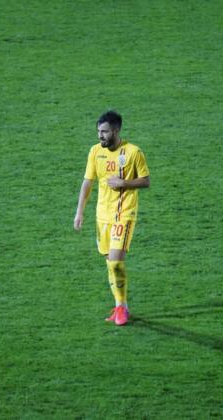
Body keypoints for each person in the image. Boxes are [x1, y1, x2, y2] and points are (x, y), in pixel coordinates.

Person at [74, 111, 150, 326]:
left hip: (124, 214)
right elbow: (88, 182)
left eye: (105, 132)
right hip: (102, 217)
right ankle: (120, 305)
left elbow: (145, 181)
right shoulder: (95, 151)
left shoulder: (133, 152)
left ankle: (122, 309)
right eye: (98, 131)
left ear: (116, 131)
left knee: (116, 262)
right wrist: (80, 212)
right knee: (110, 263)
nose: (100, 135)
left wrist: (124, 183)